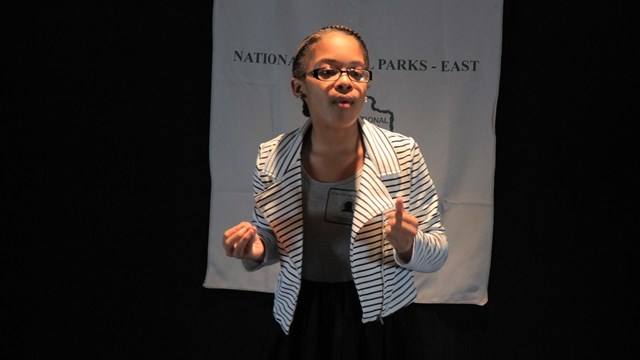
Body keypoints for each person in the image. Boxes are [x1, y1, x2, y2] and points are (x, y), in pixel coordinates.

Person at [221, 25, 448, 360]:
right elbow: (270, 237)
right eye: (326, 71)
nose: (345, 81)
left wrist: (410, 244)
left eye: (356, 72)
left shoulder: (403, 153)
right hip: (301, 314)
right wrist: (256, 248)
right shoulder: (272, 156)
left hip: (380, 319)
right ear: (298, 86)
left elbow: (438, 252)